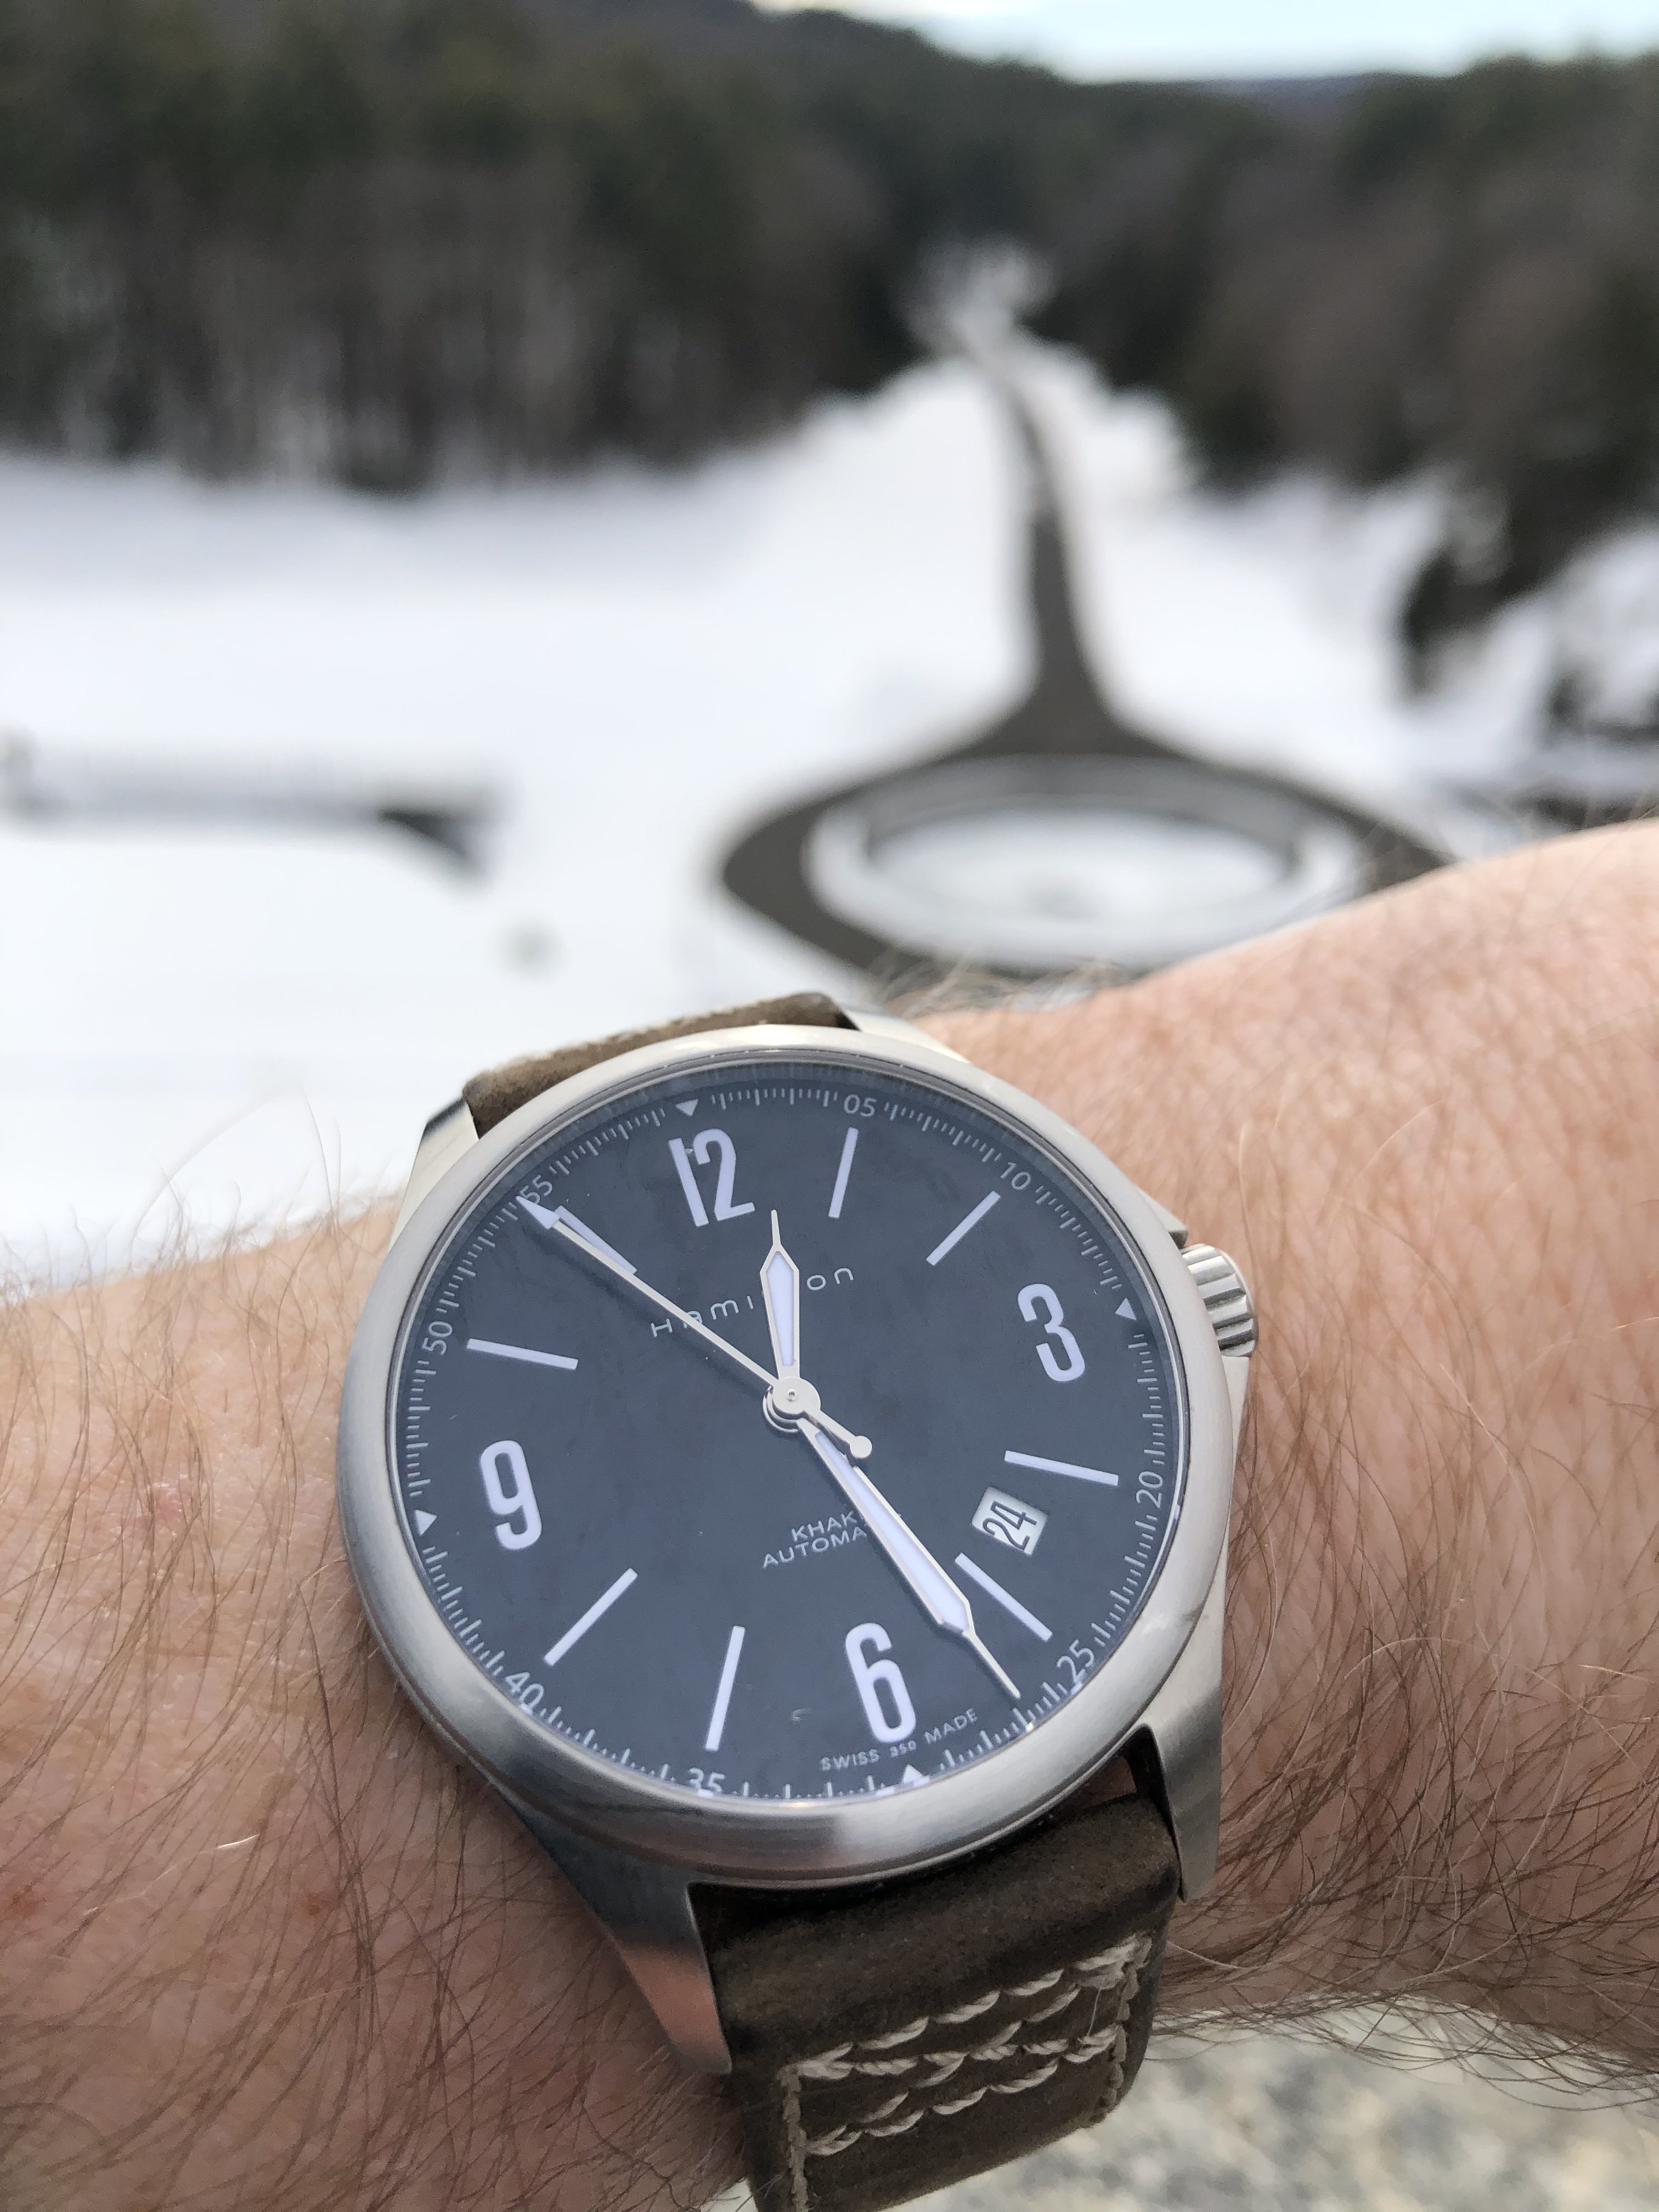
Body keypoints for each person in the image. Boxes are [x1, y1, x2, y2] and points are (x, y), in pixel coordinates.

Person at [4, 824, 1657, 2210]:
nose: (790, 1402)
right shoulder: (484, 1467)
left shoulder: (1149, 1560)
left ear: (1196, 1307)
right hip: (716, 1880)